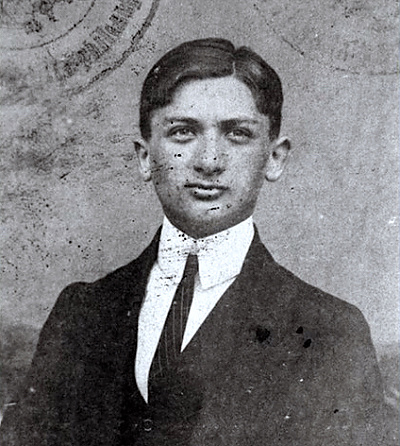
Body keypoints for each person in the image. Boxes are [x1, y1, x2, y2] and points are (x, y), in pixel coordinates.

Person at [0, 38, 387, 445]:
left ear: (274, 158)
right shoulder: (82, 313)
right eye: (183, 132)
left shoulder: (329, 331)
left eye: (237, 133)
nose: (209, 161)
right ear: (145, 157)